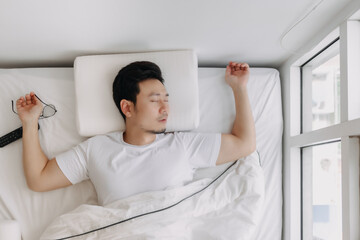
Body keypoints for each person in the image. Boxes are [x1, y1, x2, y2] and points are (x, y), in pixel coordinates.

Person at [16, 61, 255, 206]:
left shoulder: (182, 145)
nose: (165, 108)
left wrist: (239, 88)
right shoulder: (96, 149)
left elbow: (244, 144)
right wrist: (29, 122)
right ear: (127, 107)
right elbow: (39, 179)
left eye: (166, 100)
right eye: (155, 100)